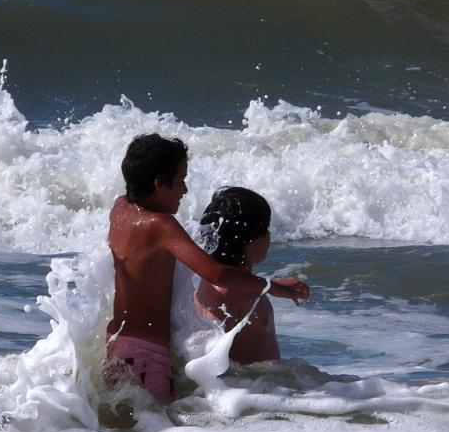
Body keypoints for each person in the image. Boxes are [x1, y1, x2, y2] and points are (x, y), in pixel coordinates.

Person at [105, 134, 309, 404]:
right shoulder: (160, 225)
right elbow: (216, 273)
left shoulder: (121, 207)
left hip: (118, 341)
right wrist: (275, 287)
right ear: (158, 183)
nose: (185, 190)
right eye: (180, 181)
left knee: (134, 426)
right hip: (146, 354)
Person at [194, 187, 297, 365]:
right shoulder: (239, 295)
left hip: (246, 389)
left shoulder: (208, 284)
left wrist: (274, 285)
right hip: (255, 388)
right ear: (248, 239)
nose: (269, 235)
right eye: (265, 229)